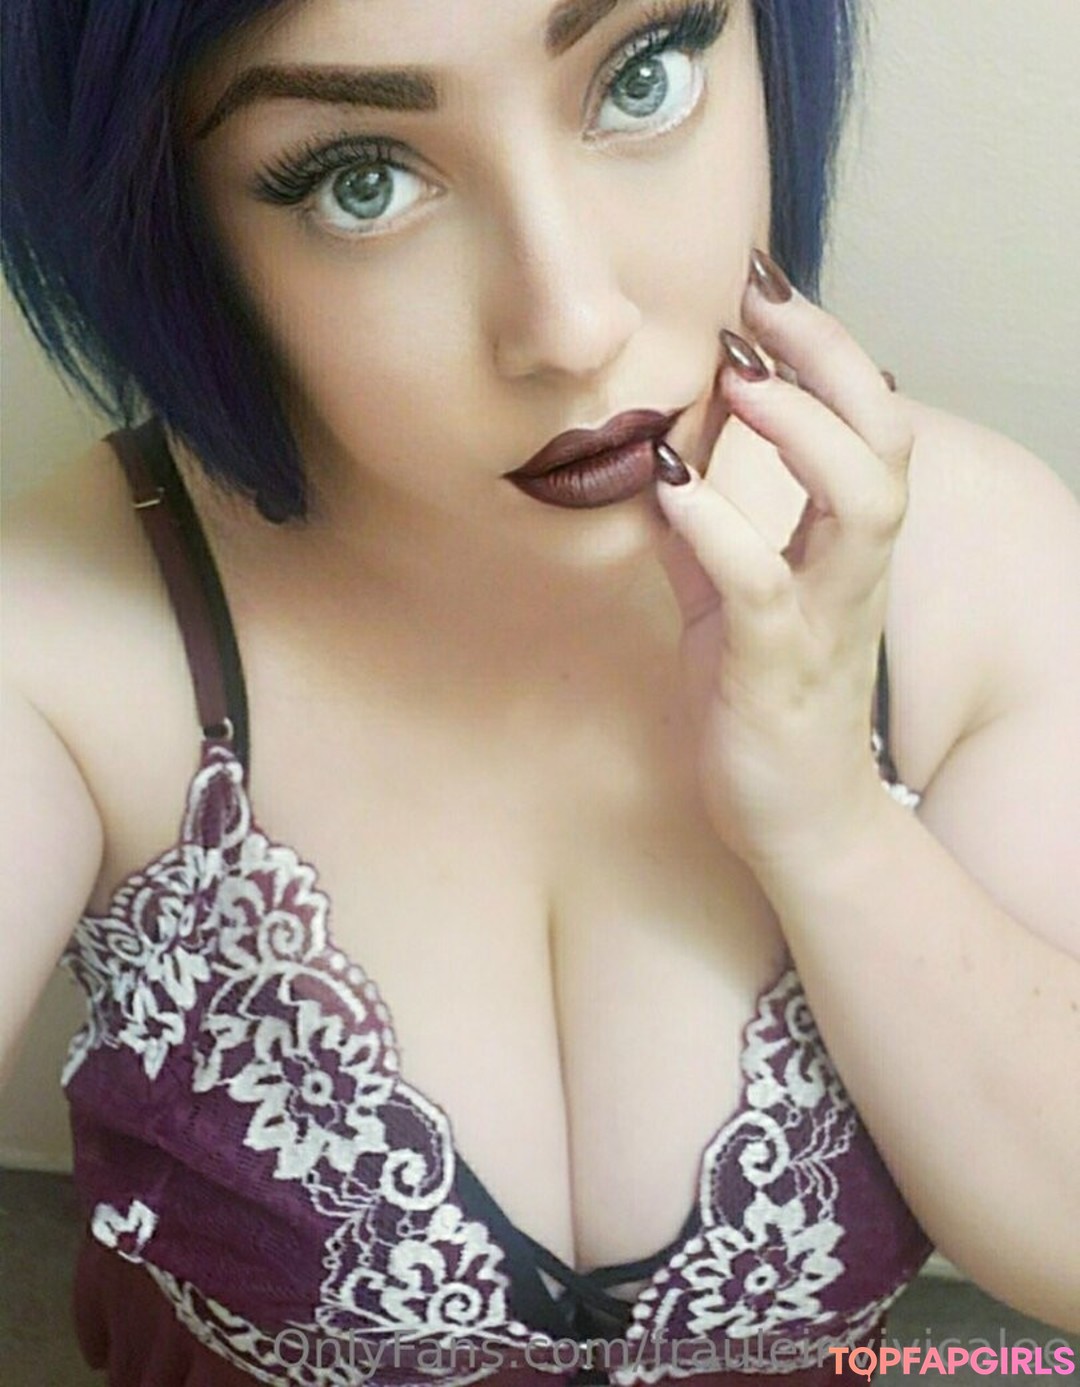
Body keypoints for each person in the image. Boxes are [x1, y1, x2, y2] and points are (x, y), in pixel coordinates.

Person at [2, 0, 1078, 1384]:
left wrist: (830, 821)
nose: (571, 325)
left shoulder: (970, 560)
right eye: (360, 182)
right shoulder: (66, 633)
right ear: (181, 229)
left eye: (642, 77)